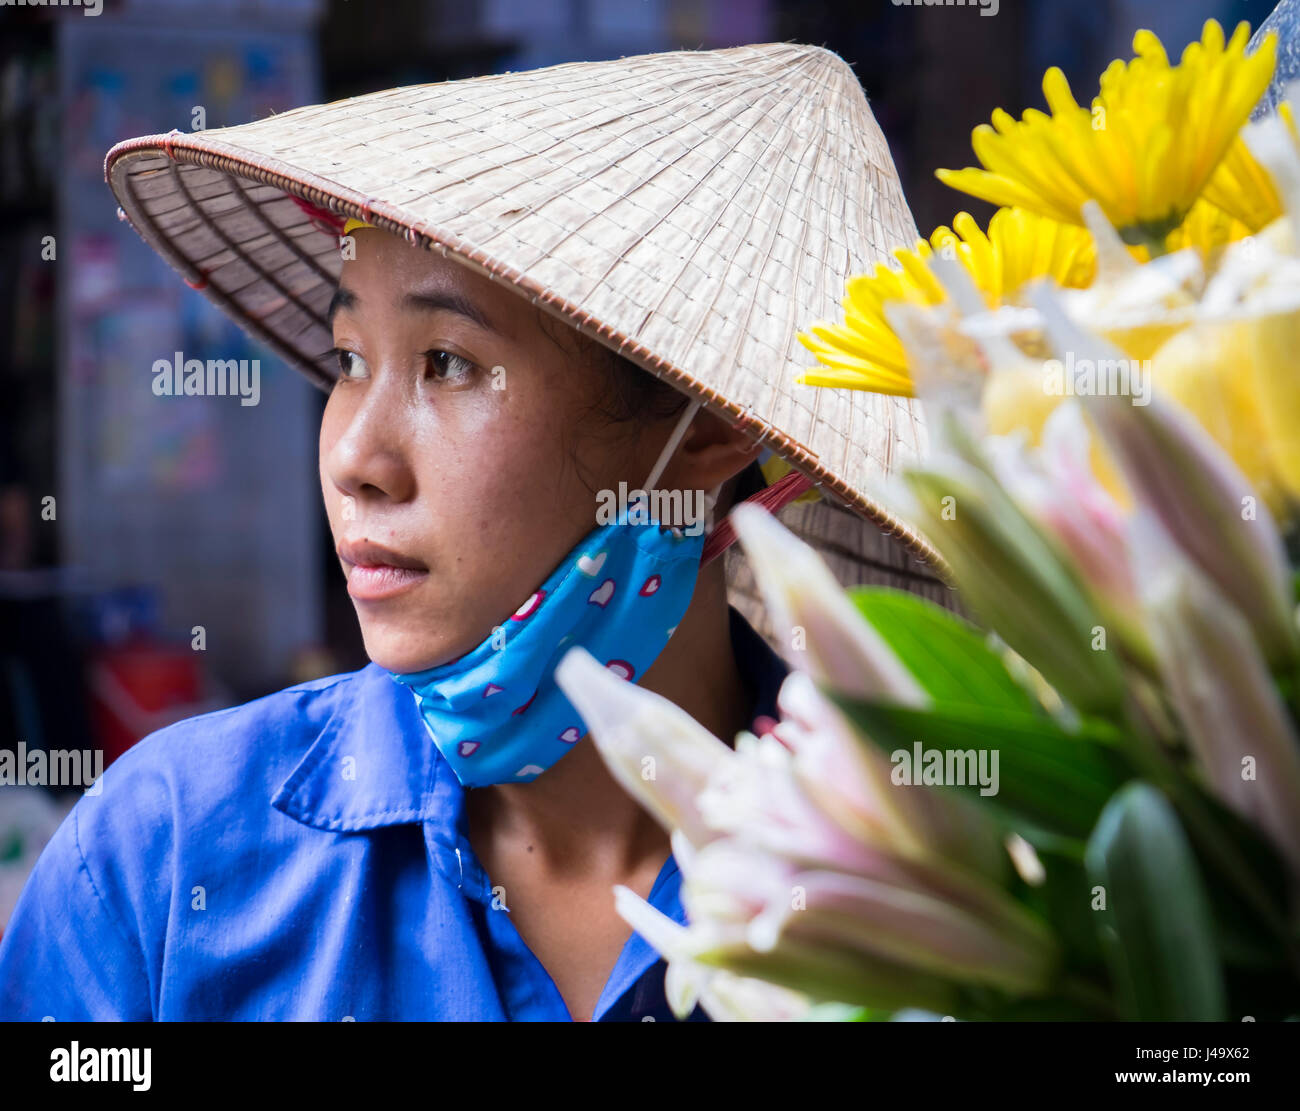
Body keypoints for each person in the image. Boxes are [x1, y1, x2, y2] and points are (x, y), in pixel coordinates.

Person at [0, 41, 943, 1021]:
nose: (354, 460)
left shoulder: (928, 879)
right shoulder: (163, 860)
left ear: (704, 425)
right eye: (348, 357)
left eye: (447, 362)